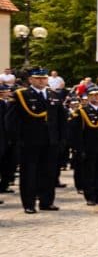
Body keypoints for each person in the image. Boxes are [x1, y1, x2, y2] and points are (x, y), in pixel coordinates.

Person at [6, 67, 65, 213]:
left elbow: (61, 120)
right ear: (30, 80)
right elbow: (11, 120)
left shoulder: (54, 94)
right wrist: (16, 139)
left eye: (44, 78)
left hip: (50, 141)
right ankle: (29, 204)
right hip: (29, 141)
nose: (41, 80)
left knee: (49, 173)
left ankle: (46, 202)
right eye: (38, 78)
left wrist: (62, 139)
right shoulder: (21, 95)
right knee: (29, 174)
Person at [68, 84, 98, 206]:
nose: (96, 97)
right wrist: (79, 149)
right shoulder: (82, 112)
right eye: (93, 95)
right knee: (89, 173)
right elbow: (76, 133)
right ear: (88, 97)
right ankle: (90, 196)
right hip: (89, 147)